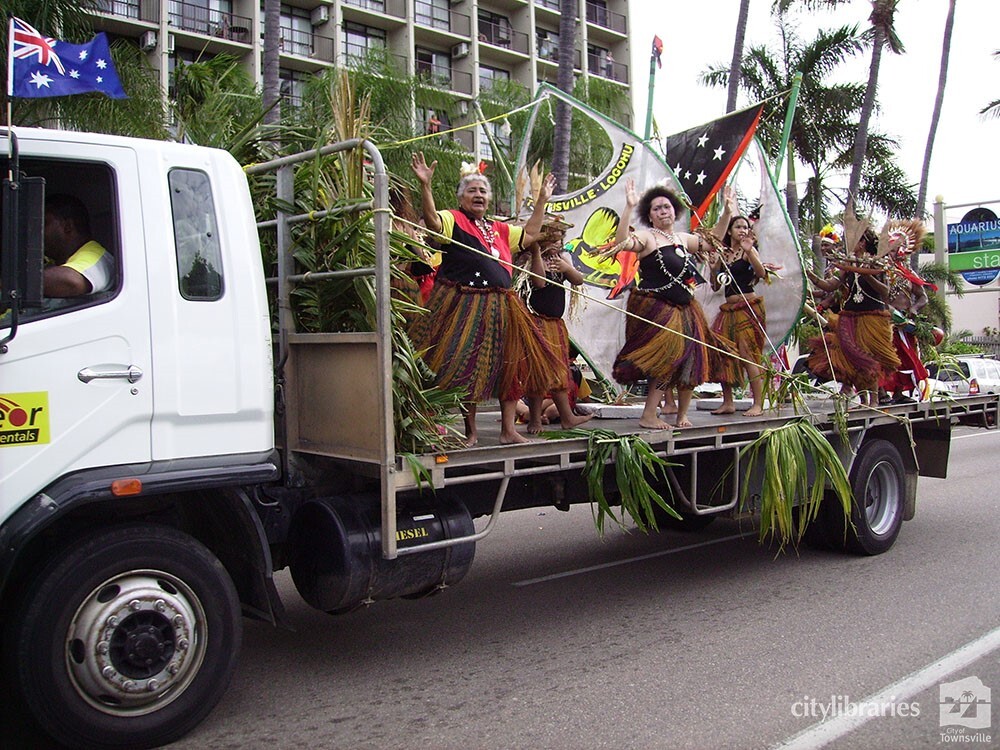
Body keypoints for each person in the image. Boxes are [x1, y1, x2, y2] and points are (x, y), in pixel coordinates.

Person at [409, 152, 563, 446]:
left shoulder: (499, 229)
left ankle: (508, 430)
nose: (478, 195)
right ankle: (471, 432)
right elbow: (432, 223)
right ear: (461, 197)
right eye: (472, 191)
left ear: (489, 199)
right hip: (464, 304)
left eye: (482, 191)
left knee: (512, 365)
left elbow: (530, 234)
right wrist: (425, 186)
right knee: (469, 367)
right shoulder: (452, 219)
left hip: (503, 305)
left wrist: (542, 200)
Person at [604, 178, 731, 429]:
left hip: (686, 309)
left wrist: (727, 211)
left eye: (667, 206)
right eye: (656, 208)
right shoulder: (647, 237)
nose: (663, 211)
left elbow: (713, 239)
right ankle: (649, 415)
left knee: (691, 362)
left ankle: (682, 414)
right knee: (666, 362)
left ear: (675, 210)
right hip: (659, 308)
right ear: (650, 216)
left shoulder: (682, 239)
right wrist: (629, 207)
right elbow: (622, 244)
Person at [515, 214, 594, 434]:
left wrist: (565, 268)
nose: (558, 243)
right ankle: (535, 420)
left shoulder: (562, 258)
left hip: (555, 325)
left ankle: (567, 417)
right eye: (553, 239)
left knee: (560, 372)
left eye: (560, 239)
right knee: (538, 373)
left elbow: (578, 280)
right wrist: (536, 253)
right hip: (536, 323)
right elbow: (539, 282)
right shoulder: (528, 259)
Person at [806, 226, 900, 408]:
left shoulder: (877, 262)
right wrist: (810, 276)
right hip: (849, 316)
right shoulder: (847, 264)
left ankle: (873, 399)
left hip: (871, 317)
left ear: (863, 242)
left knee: (867, 358)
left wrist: (867, 274)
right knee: (850, 358)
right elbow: (830, 286)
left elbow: (885, 292)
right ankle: (863, 399)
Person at [708, 189, 770, 417]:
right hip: (728, 310)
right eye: (738, 227)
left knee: (747, 354)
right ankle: (728, 402)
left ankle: (758, 404)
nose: (743, 230)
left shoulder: (748, 251)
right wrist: (714, 268)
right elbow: (716, 287)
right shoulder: (723, 254)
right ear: (730, 232)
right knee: (724, 353)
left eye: (746, 227)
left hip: (748, 308)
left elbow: (762, 274)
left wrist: (750, 252)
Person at [43, 194, 114, 298]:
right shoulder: (54, 261)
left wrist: (15, 281)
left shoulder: (96, 256)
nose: (36, 231)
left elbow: (71, 281)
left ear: (68, 226)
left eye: (44, 223)